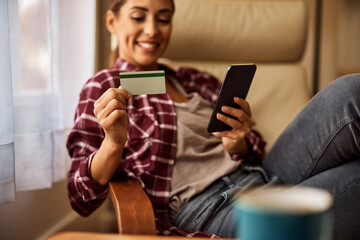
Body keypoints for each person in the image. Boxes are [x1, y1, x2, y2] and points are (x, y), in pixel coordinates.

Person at [66, 0, 360, 239]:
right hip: (213, 208)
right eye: (138, 17)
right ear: (112, 22)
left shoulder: (198, 80)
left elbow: (254, 148)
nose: (152, 30)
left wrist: (240, 141)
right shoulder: (104, 87)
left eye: (164, 18)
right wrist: (114, 142)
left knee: (349, 91)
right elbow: (81, 198)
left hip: (264, 173)